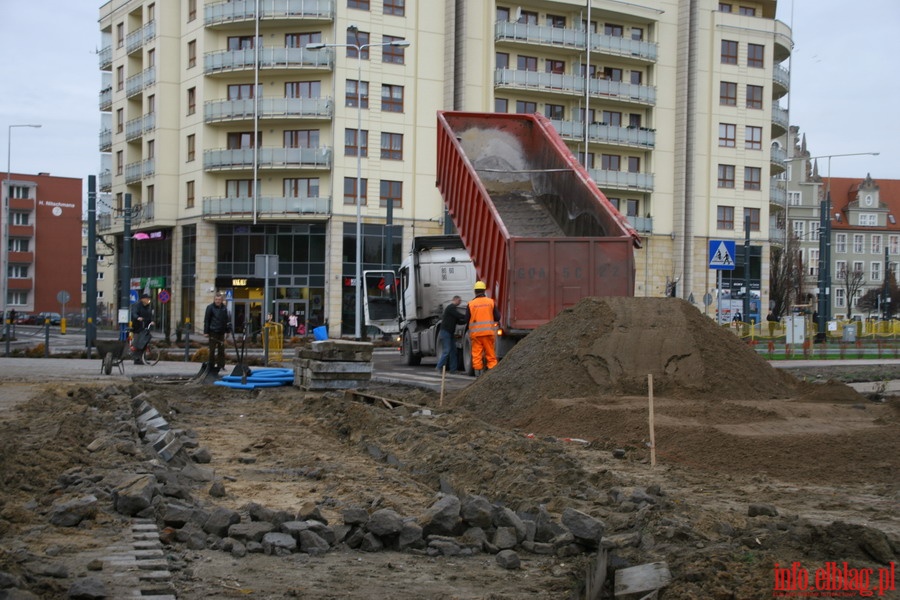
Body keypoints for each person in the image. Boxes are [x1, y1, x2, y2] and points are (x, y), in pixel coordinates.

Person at [466, 281, 501, 376]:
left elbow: (467, 319)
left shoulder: (471, 304)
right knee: (490, 354)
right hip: (489, 333)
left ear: (475, 291)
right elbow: (497, 317)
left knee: (476, 355)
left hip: (476, 335)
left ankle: (478, 375)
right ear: (484, 290)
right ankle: (492, 374)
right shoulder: (491, 302)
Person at [435, 296, 466, 373]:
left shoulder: (453, 309)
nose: (460, 302)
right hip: (446, 332)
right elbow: (458, 315)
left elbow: (458, 321)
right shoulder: (451, 308)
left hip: (450, 333)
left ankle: (453, 369)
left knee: (453, 351)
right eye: (459, 300)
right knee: (447, 350)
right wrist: (467, 316)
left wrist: (466, 321)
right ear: (455, 300)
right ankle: (439, 367)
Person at [204, 292, 231, 374]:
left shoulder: (224, 308)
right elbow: (207, 320)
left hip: (221, 332)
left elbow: (226, 320)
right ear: (214, 300)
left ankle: (221, 366)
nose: (217, 301)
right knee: (212, 350)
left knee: (221, 350)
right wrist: (206, 332)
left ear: (222, 300)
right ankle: (210, 366)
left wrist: (227, 331)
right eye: (216, 299)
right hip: (213, 331)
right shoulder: (210, 308)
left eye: (219, 299)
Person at [130, 293, 155, 364]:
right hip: (137, 327)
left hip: (145, 327)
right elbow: (134, 313)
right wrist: (137, 317)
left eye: (149, 299)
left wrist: (151, 321)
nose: (148, 300)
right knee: (138, 343)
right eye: (147, 299)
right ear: (142, 299)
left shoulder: (148, 307)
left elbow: (149, 316)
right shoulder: (137, 305)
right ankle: (136, 359)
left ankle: (142, 358)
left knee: (144, 343)